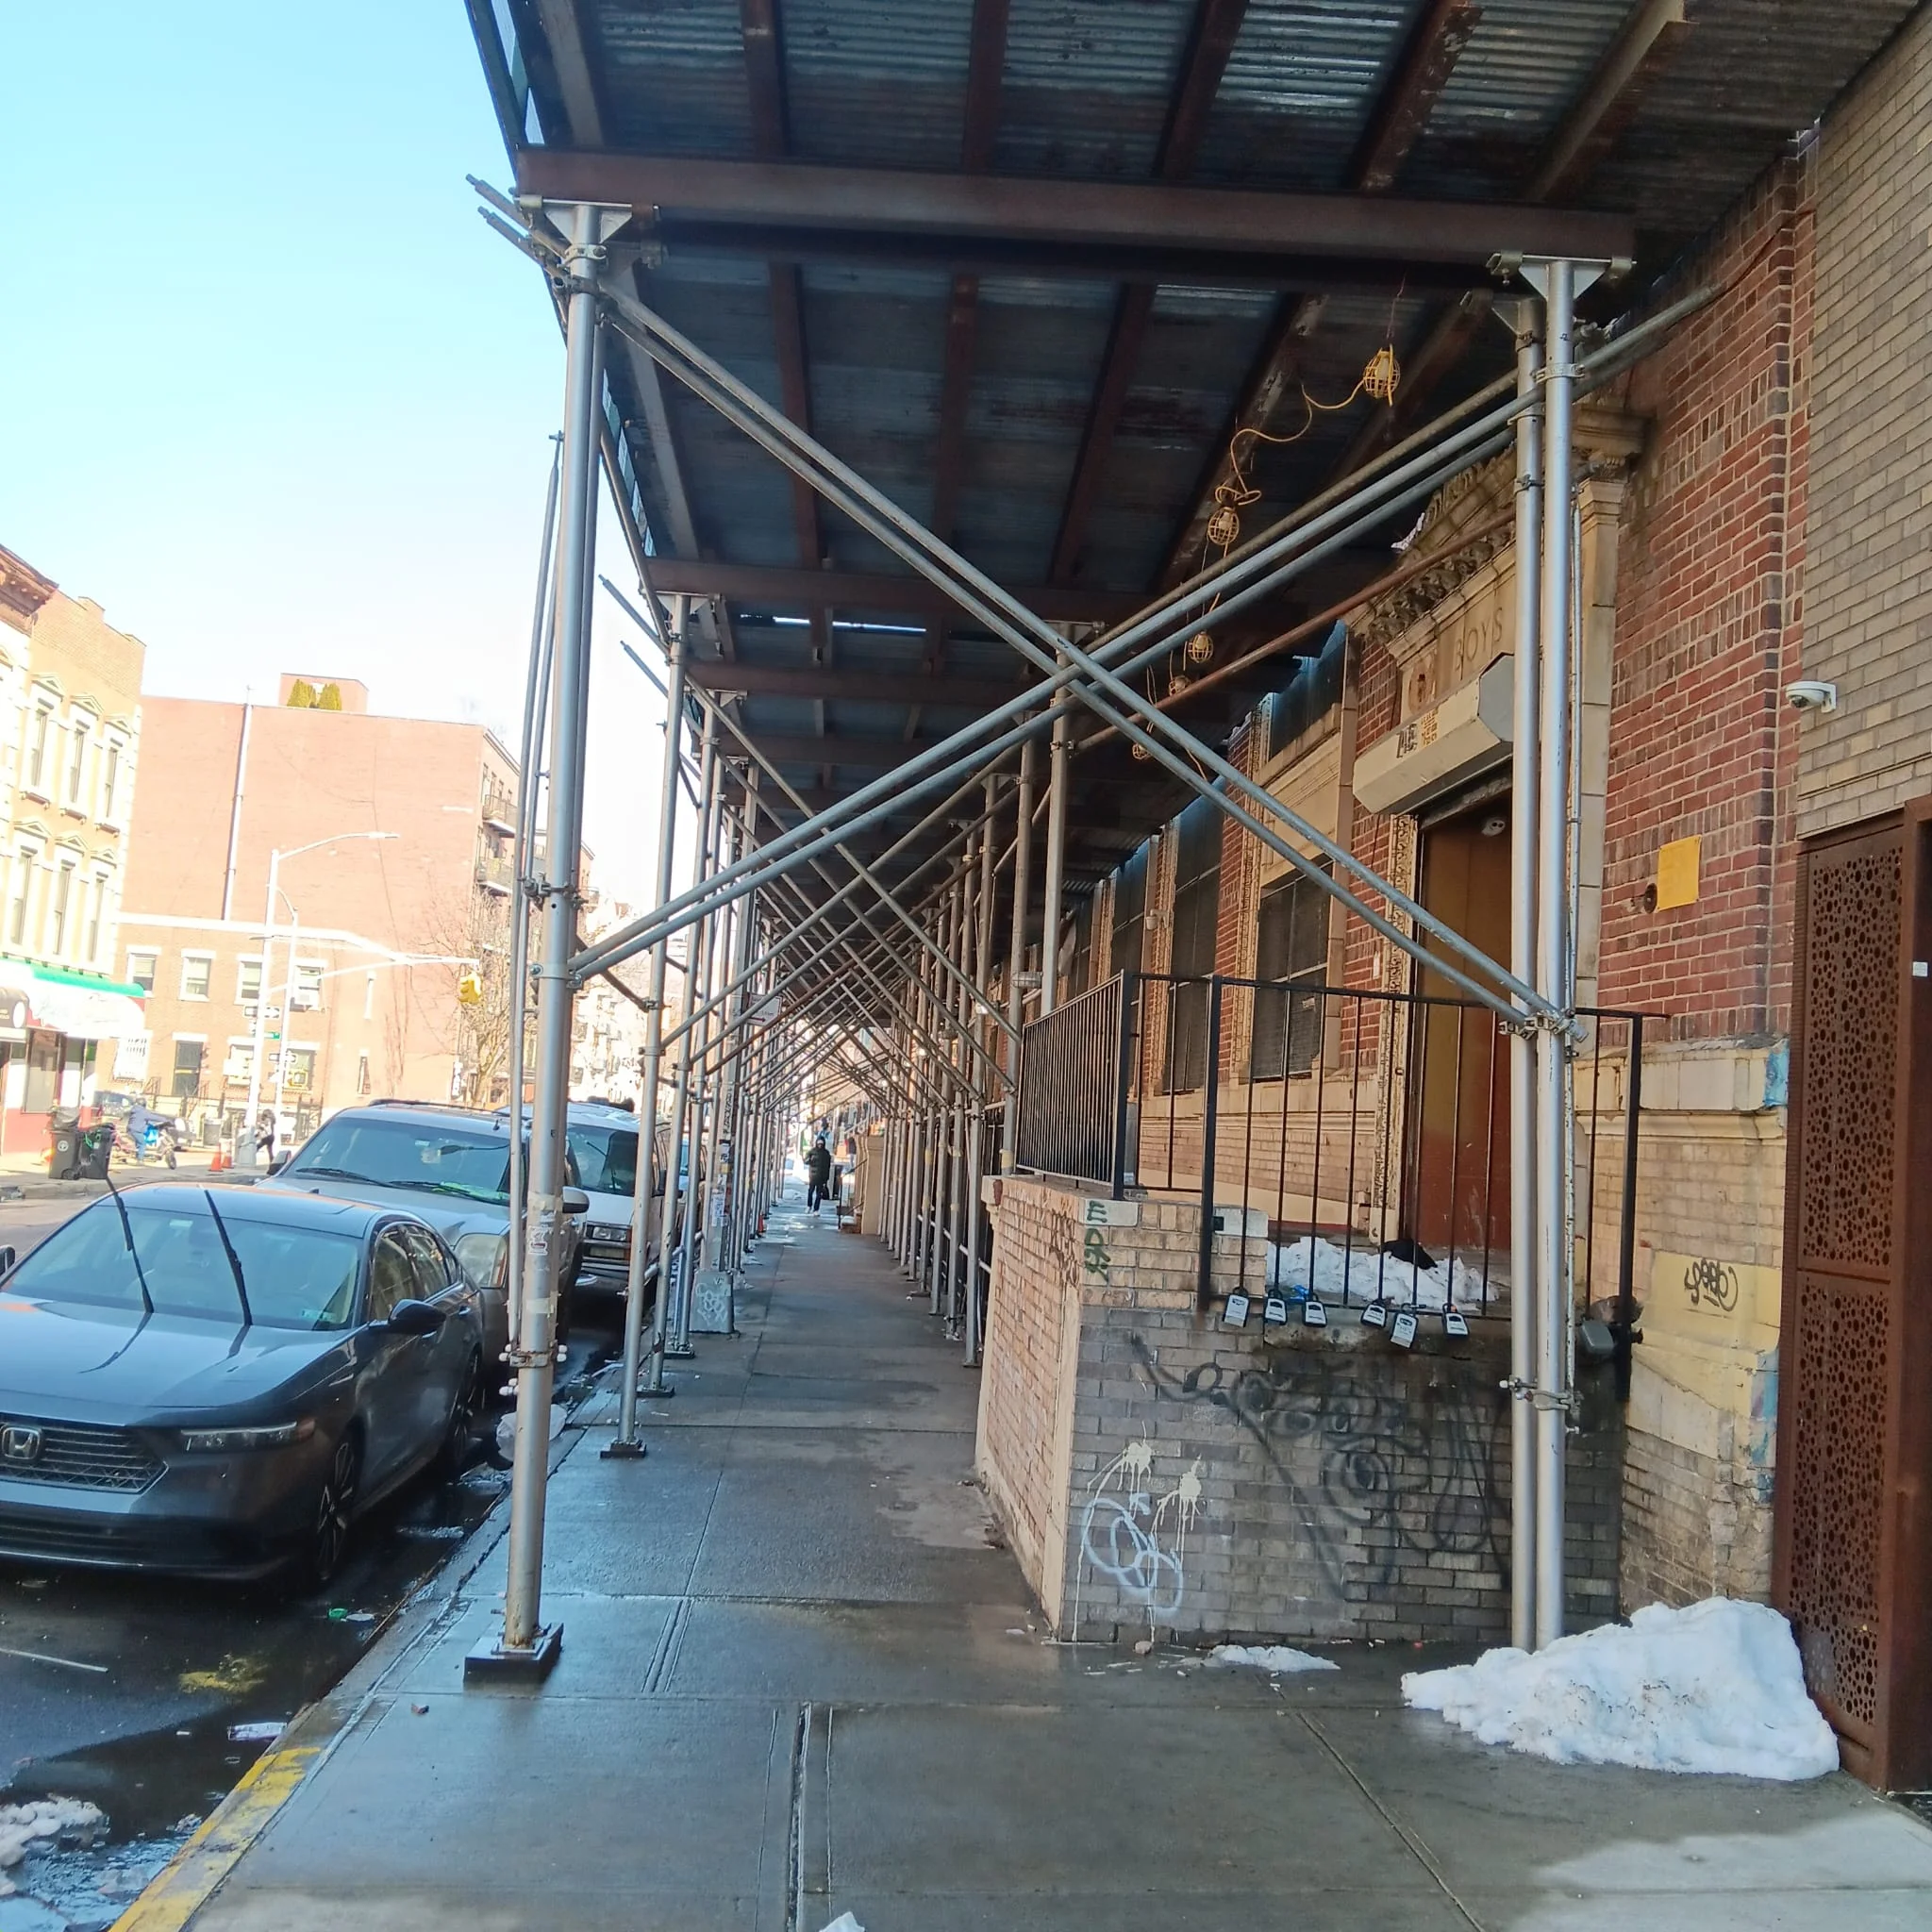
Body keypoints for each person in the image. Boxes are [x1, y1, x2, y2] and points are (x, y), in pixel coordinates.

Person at [806, 1134, 832, 1211]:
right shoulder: (812, 1151)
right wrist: (810, 1160)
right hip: (813, 1176)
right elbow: (806, 1160)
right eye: (819, 1143)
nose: (820, 1145)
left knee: (818, 1194)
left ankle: (816, 1209)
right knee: (810, 1191)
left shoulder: (826, 1154)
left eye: (821, 1143)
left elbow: (828, 1167)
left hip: (821, 1177)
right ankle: (809, 1205)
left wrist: (826, 1178)